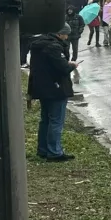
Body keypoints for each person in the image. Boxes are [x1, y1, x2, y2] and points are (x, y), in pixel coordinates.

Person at [28, 24, 78, 161]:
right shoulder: (54, 47)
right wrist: (72, 65)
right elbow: (62, 68)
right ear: (60, 34)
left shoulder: (38, 45)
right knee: (56, 120)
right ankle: (54, 152)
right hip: (56, 88)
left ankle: (43, 149)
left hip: (43, 88)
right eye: (66, 34)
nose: (67, 37)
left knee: (45, 120)